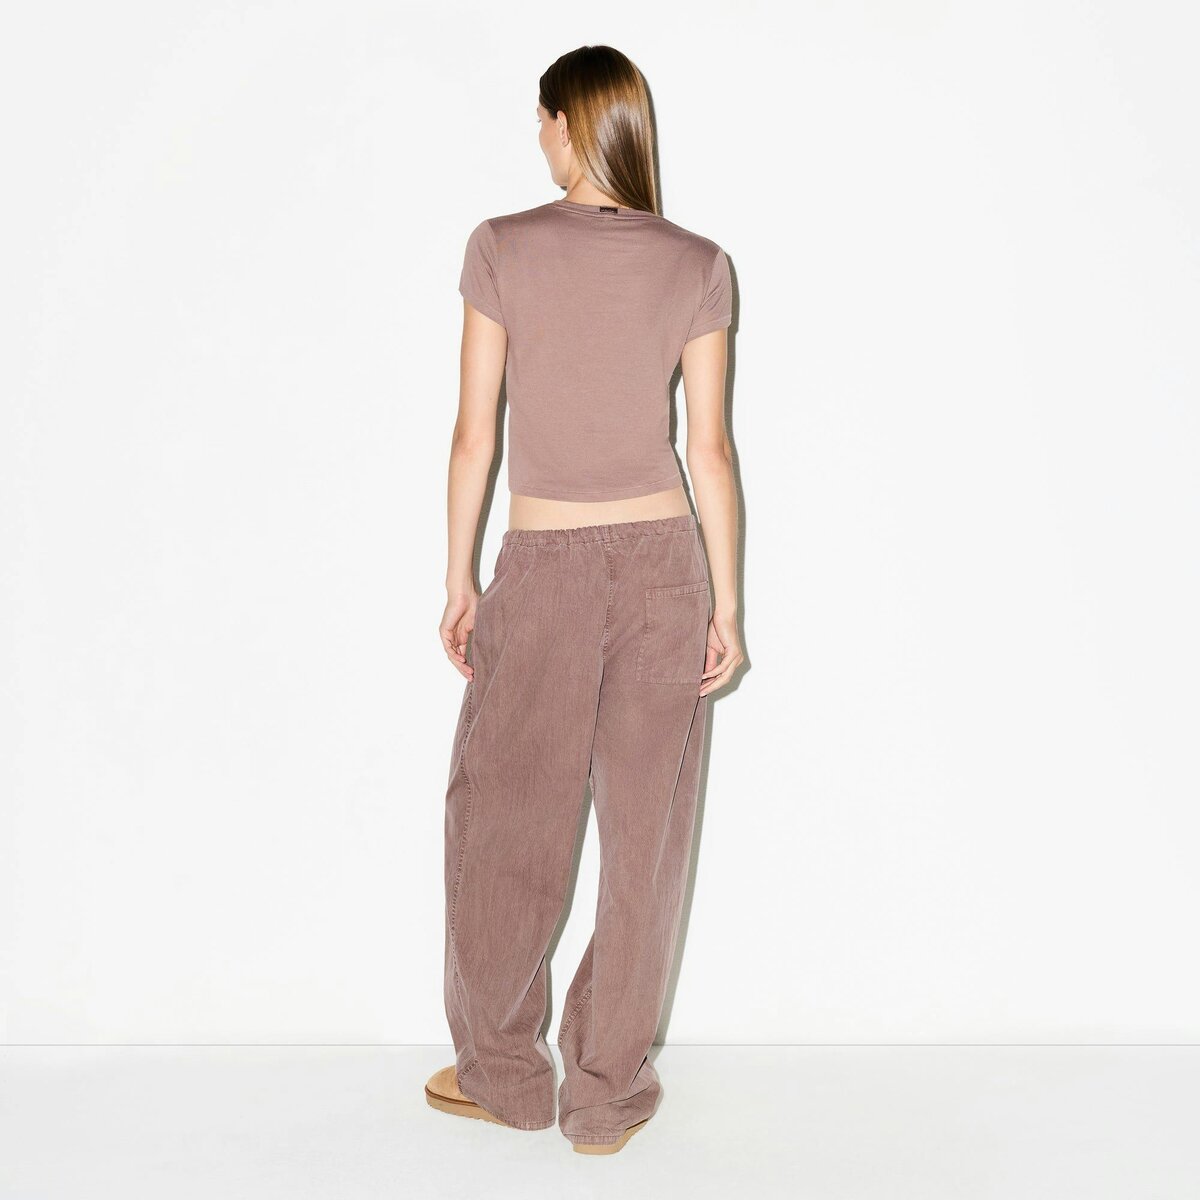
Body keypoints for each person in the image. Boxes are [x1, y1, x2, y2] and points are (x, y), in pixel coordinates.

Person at [424, 44, 744, 1155]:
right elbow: (710, 450)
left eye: (542, 119)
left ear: (568, 123)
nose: (538, 137)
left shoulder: (501, 246)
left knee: (507, 820)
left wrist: (460, 576)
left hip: (546, 562)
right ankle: (605, 1096)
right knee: (645, 839)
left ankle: (505, 1076)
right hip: (666, 570)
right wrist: (727, 605)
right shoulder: (699, 263)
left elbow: (475, 432)